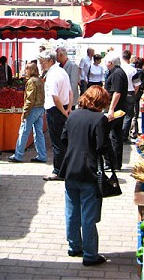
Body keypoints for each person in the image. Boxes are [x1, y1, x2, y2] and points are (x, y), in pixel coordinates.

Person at [59, 85, 110, 267]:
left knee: (72, 210)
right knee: (88, 214)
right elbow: (101, 146)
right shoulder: (99, 119)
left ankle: (74, 246)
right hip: (89, 171)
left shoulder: (72, 115)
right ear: (101, 102)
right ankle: (90, 255)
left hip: (70, 168)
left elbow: (63, 139)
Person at [39, 50, 72, 181]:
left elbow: (55, 97)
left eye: (43, 61)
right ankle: (65, 169)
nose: (41, 64)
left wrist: (64, 111)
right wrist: (68, 108)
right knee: (63, 141)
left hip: (55, 109)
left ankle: (58, 171)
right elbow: (70, 91)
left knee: (57, 142)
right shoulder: (62, 71)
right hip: (63, 108)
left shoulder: (53, 74)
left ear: (50, 61)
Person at [8, 62, 46, 163]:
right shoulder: (40, 80)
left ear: (31, 70)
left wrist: (25, 112)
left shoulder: (31, 81)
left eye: (26, 69)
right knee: (38, 133)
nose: (25, 71)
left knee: (24, 132)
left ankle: (18, 155)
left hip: (32, 109)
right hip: (40, 108)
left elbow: (30, 99)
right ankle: (42, 155)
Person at [103, 55, 128, 170]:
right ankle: (115, 163)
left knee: (111, 135)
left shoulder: (117, 73)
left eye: (106, 62)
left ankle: (112, 162)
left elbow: (117, 93)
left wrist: (111, 109)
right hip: (118, 107)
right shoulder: (116, 72)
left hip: (116, 108)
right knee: (116, 135)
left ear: (111, 62)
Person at [120, 50, 140, 141]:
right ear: (129, 58)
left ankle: (118, 133)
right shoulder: (133, 70)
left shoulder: (118, 68)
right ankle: (124, 136)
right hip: (130, 93)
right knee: (128, 115)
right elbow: (137, 84)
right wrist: (134, 94)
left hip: (119, 93)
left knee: (119, 114)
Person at [132, 57, 144, 135]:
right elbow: (140, 84)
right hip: (137, 93)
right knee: (135, 113)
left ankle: (131, 131)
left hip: (130, 92)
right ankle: (134, 131)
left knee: (131, 113)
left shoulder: (132, 70)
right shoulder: (141, 73)